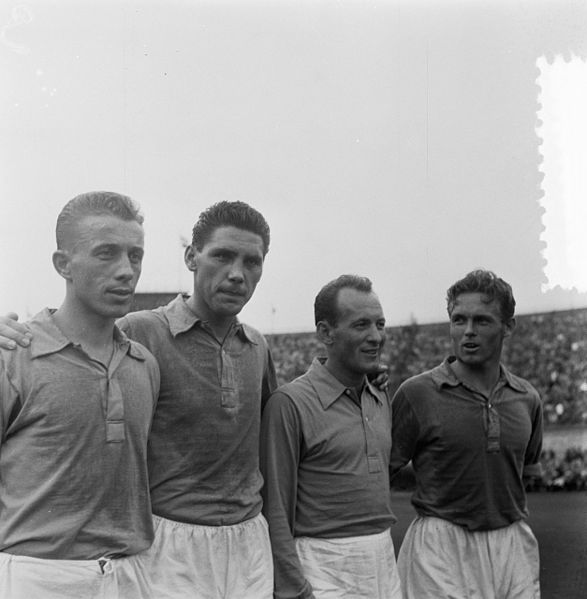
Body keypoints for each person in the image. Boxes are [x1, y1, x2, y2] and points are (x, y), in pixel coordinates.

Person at [0, 191, 160, 599]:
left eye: (135, 255)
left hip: (132, 574)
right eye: (107, 253)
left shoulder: (143, 364)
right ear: (63, 264)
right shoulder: (14, 356)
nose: (126, 270)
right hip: (39, 576)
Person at [390, 269, 543, 599]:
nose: (468, 332)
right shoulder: (418, 393)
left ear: (508, 327)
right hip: (440, 545)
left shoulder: (527, 398)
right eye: (459, 320)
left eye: (482, 321)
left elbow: (525, 472)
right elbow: (380, 469)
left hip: (511, 544)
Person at [260, 274, 402, 599]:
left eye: (380, 324)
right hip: (323, 566)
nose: (375, 336)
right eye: (361, 325)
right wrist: (293, 588)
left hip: (383, 558)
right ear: (325, 332)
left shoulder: (379, 395)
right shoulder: (289, 403)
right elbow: (276, 509)